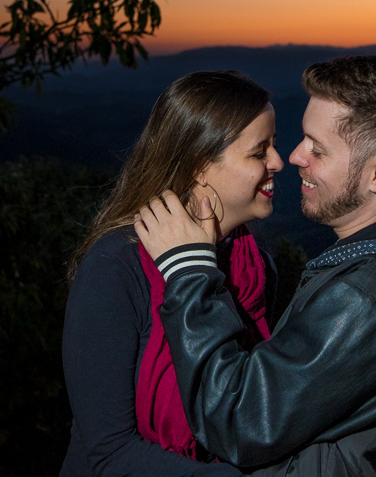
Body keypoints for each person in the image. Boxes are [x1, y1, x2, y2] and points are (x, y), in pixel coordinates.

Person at [135, 53, 376, 476]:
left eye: (318, 148)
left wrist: (188, 271)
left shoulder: (366, 297)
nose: (293, 156)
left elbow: (237, 421)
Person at [59, 71, 285, 477]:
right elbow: (108, 451)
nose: (278, 162)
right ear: (200, 165)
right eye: (259, 151)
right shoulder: (118, 266)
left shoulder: (254, 264)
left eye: (275, 145)